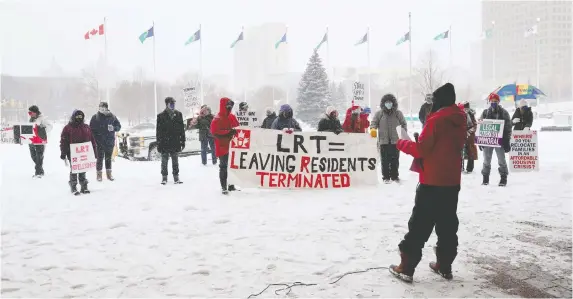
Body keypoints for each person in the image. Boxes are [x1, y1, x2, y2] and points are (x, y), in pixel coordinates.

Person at [389, 83, 466, 283]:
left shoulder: (436, 120)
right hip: (451, 181)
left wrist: (402, 142)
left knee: (420, 224)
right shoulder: (460, 118)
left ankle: (406, 267)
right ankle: (445, 265)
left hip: (432, 182)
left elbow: (421, 149)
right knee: (447, 224)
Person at [369, 94, 407, 183]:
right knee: (384, 161)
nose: (389, 104)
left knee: (395, 160)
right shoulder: (379, 114)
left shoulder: (398, 113)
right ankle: (385, 177)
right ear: (383, 103)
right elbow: (373, 123)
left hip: (396, 141)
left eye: (390, 102)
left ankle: (394, 176)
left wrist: (403, 132)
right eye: (387, 102)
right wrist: (373, 129)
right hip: (383, 141)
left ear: (393, 103)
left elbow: (404, 124)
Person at [60, 110, 97, 195]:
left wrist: (94, 152)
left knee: (83, 168)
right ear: (73, 117)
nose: (79, 118)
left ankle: (84, 185)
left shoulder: (86, 127)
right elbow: (63, 141)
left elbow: (92, 140)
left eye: (81, 116)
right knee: (74, 169)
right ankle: (73, 186)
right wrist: (63, 152)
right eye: (77, 116)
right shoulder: (68, 128)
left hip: (84, 153)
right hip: (72, 153)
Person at [479, 93, 512, 186]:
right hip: (488, 141)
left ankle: (503, 178)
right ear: (489, 102)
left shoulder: (504, 112)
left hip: (500, 141)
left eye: (495, 101)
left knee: (501, 160)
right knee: (486, 160)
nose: (494, 103)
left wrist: (507, 141)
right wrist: (480, 140)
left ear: (498, 102)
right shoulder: (485, 113)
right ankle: (485, 178)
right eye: (492, 101)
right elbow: (480, 126)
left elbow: (508, 127)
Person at [210, 97, 240, 194]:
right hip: (222, 147)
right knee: (223, 166)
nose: (229, 107)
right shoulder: (217, 118)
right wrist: (228, 132)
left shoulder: (232, 117)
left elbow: (238, 127)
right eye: (227, 106)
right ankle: (224, 187)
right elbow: (214, 132)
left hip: (232, 146)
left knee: (231, 167)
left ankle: (231, 185)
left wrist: (236, 131)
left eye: (230, 106)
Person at [156, 97, 185, 185]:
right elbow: (158, 131)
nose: (173, 105)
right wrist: (159, 143)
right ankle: (164, 177)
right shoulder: (161, 116)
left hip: (175, 141)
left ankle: (176, 177)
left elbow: (181, 129)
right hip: (164, 142)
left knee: (175, 160)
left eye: (173, 103)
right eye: (171, 103)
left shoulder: (179, 114)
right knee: (164, 161)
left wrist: (182, 141)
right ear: (167, 104)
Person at [89, 102, 121, 181]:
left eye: (104, 108)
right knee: (99, 159)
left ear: (107, 108)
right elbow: (91, 130)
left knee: (108, 158)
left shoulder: (112, 116)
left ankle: (109, 174)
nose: (102, 109)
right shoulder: (95, 117)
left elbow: (119, 126)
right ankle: (99, 175)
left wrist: (114, 128)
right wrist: (95, 139)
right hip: (99, 142)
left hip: (109, 141)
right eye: (100, 108)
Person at [27, 105, 53, 177]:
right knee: (33, 156)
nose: (30, 114)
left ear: (35, 112)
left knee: (39, 156)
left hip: (40, 140)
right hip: (32, 141)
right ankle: (40, 170)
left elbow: (50, 127)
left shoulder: (42, 119)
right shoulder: (31, 119)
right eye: (29, 113)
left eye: (31, 112)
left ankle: (38, 173)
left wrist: (42, 128)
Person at [461, 102, 478, 173]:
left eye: (467, 108)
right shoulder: (460, 114)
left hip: (470, 136)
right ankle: (461, 167)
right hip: (461, 135)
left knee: (471, 152)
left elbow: (475, 125)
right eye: (465, 108)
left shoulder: (471, 115)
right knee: (461, 151)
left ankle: (470, 168)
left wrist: (469, 131)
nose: (466, 110)